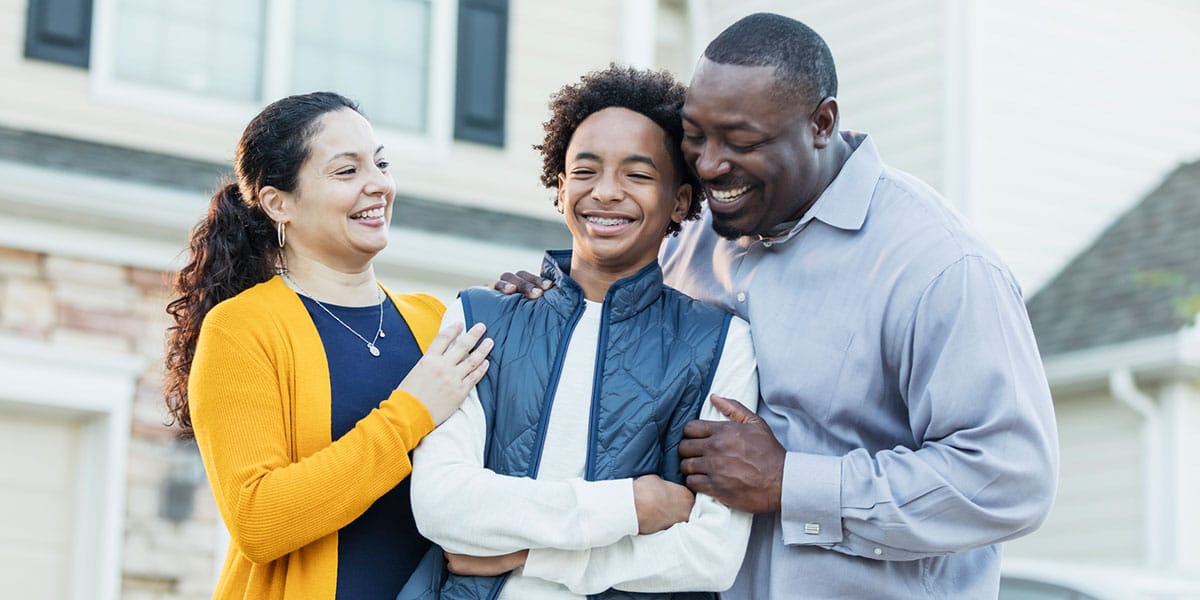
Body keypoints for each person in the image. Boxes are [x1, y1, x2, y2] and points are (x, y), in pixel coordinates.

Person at [499, 13, 1059, 599]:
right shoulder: (688, 238)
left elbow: (1008, 477)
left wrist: (792, 482)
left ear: (822, 123)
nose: (710, 165)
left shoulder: (940, 267)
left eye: (742, 142)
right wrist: (547, 306)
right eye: (695, 135)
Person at [404, 65, 759, 600]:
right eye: (585, 170)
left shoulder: (718, 344)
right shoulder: (479, 316)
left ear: (680, 202)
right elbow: (441, 503)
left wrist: (530, 556)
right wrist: (632, 506)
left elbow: (711, 555)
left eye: (638, 175)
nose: (607, 192)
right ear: (560, 186)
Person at [163, 91, 493, 599]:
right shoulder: (243, 328)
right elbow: (258, 520)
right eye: (347, 171)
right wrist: (411, 414)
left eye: (381, 163)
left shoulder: (436, 320)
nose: (379, 184)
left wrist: (530, 317)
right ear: (279, 203)